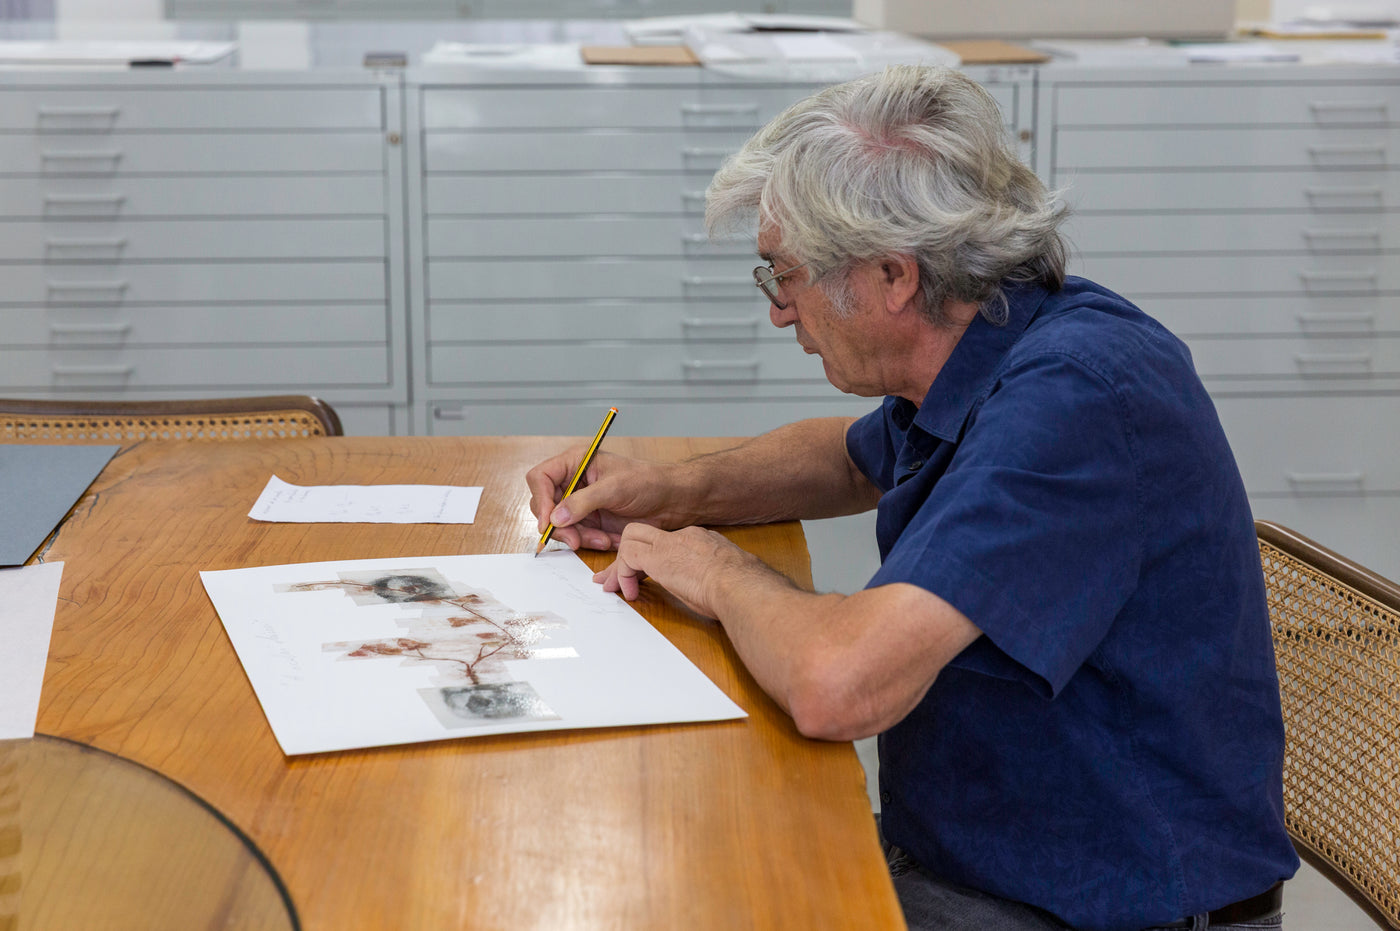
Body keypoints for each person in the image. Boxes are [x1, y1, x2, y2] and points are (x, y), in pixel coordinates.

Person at [525, 65, 1298, 931]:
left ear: (893, 276)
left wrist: (711, 566)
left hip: (1100, 899)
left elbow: (839, 685)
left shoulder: (1078, 400)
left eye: (785, 274)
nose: (781, 311)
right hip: (992, 850)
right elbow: (850, 460)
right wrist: (667, 491)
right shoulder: (995, 337)